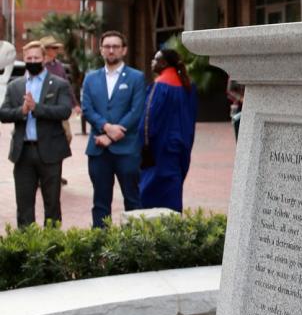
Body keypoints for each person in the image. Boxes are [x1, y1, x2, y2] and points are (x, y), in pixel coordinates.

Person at [0, 39, 73, 228]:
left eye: (36, 57)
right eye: (29, 57)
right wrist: (22, 111)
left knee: (52, 205)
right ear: (24, 58)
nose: (32, 60)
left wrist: (36, 108)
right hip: (23, 153)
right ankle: (27, 250)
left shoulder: (58, 84)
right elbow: (3, 113)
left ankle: (52, 249)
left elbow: (64, 111)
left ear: (44, 59)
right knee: (24, 206)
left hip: (50, 152)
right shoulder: (15, 85)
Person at [81, 30, 146, 227]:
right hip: (98, 151)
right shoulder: (90, 78)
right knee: (100, 203)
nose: (111, 50)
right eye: (107, 46)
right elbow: (87, 108)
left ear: (123, 50)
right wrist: (106, 127)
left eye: (115, 46)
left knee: (132, 200)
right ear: (101, 50)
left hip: (127, 150)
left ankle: (134, 245)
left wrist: (112, 136)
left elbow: (136, 111)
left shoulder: (136, 77)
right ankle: (100, 245)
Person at [139, 48, 198, 211]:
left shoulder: (160, 87)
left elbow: (147, 122)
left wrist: (143, 148)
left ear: (163, 63)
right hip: (181, 147)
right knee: (173, 190)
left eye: (155, 59)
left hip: (160, 149)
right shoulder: (188, 86)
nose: (152, 62)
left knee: (152, 192)